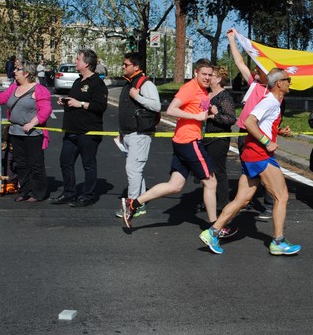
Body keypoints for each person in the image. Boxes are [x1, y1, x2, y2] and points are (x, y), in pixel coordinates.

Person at [120, 63, 236, 238]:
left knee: (175, 186)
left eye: (209, 75)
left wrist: (210, 112)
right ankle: (215, 227)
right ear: (195, 72)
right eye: (203, 74)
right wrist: (196, 116)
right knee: (210, 183)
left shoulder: (204, 91)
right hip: (189, 140)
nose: (206, 77)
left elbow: (200, 110)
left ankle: (133, 204)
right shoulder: (190, 88)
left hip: (182, 140)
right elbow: (171, 109)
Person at [199, 68, 301, 256]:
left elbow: (261, 124)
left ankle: (212, 232)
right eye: (288, 80)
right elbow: (249, 121)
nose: (290, 83)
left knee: (242, 199)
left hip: (251, 154)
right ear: (279, 83)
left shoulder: (274, 102)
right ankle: (278, 242)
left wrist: (277, 133)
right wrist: (266, 142)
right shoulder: (270, 101)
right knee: (282, 196)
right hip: (259, 155)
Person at [227, 28, 276, 220]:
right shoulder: (254, 84)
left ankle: (270, 204)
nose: (255, 71)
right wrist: (232, 40)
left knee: (264, 169)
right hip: (243, 132)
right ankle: (244, 200)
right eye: (255, 69)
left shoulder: (271, 94)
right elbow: (239, 61)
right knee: (247, 168)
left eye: (259, 70)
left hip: (259, 134)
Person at [50, 49, 108, 207]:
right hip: (71, 130)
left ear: (86, 63)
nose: (75, 61)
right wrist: (66, 101)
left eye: (77, 59)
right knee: (65, 162)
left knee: (88, 165)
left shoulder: (97, 83)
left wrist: (80, 104)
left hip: (88, 132)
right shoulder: (78, 81)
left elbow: (100, 106)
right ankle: (69, 193)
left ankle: (88, 196)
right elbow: (75, 99)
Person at [114, 52, 161, 219]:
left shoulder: (145, 84)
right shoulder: (129, 83)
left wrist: (138, 97)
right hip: (128, 133)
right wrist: (121, 133)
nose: (123, 67)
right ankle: (139, 205)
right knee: (136, 171)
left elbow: (156, 106)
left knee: (133, 170)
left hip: (140, 134)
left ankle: (131, 205)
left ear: (136, 67)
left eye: (126, 64)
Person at [0, 60, 52, 202]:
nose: (14, 72)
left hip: (33, 134)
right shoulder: (14, 87)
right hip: (15, 133)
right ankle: (24, 191)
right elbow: (2, 99)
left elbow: (46, 110)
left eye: (18, 69)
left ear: (27, 73)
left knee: (35, 164)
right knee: (21, 163)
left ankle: (37, 193)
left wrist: (32, 123)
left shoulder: (39, 90)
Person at [202, 66, 237, 210]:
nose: (209, 78)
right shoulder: (207, 94)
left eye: (212, 76)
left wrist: (214, 116)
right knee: (206, 171)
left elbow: (230, 119)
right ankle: (208, 201)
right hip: (206, 136)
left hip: (219, 138)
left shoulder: (224, 96)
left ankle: (223, 204)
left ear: (219, 79)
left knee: (218, 170)